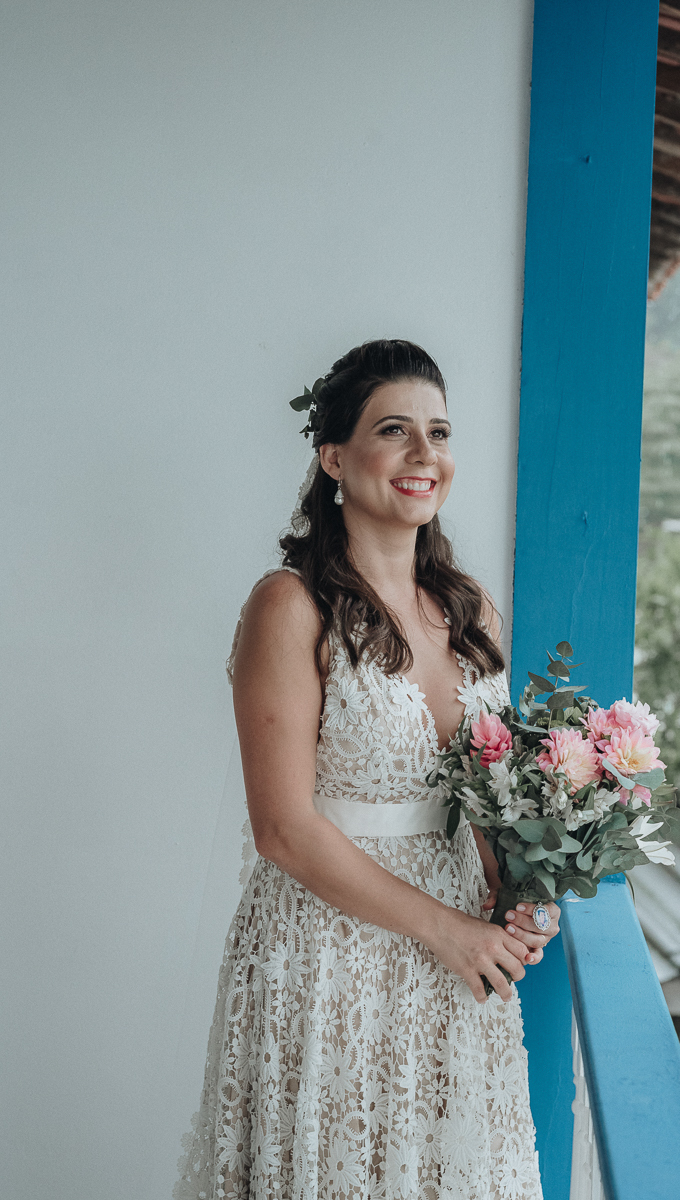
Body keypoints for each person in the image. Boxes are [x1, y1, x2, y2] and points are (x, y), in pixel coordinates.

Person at [173, 339, 560, 1200]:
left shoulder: (468, 610)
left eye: (440, 432)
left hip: (460, 954)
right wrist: (448, 931)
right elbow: (281, 828)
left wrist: (518, 892)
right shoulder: (289, 603)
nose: (427, 456)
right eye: (396, 431)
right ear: (335, 458)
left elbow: (480, 794)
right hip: (328, 952)